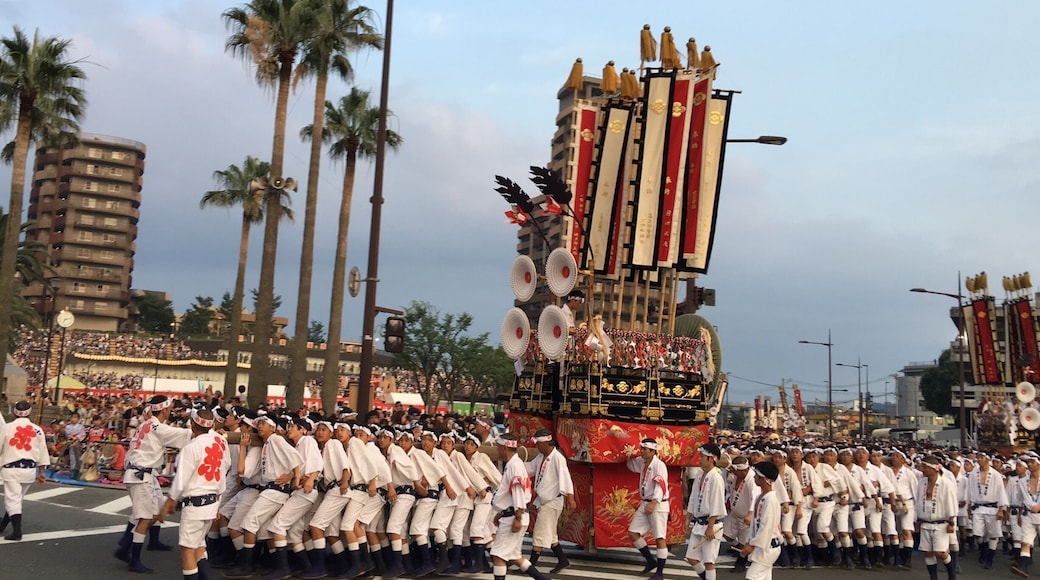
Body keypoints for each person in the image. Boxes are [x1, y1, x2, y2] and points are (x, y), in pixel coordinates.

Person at [115, 394, 192, 573]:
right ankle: (132, 557)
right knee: (145, 517)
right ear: (165, 409)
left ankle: (127, 544)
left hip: (141, 473)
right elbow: (185, 434)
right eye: (170, 408)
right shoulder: (158, 427)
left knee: (150, 512)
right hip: (141, 475)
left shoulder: (146, 423)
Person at [157, 409, 230, 580]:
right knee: (199, 545)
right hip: (212, 500)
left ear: (192, 425)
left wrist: (170, 500)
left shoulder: (191, 447)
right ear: (211, 425)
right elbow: (224, 469)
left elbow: (181, 479)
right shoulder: (220, 443)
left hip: (195, 503)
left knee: (187, 549)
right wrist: (218, 501)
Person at [489, 432, 550, 580]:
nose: (497, 450)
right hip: (513, 514)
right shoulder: (514, 464)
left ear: (505, 448)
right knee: (514, 556)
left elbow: (518, 492)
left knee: (498, 555)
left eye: (499, 447)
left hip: (514, 515)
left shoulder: (515, 466)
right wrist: (501, 513)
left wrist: (517, 516)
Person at [526, 428, 576, 572]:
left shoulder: (557, 457)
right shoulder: (541, 457)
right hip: (544, 500)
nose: (537, 446)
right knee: (551, 536)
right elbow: (530, 469)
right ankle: (563, 560)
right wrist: (516, 465)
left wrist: (571, 497)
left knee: (539, 533)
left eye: (538, 444)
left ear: (546, 443)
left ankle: (530, 567)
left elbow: (566, 477)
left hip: (552, 501)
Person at [0, 401, 49, 541]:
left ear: (15, 412)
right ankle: (3, 524)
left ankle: (17, 532)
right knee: (16, 498)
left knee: (13, 499)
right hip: (29, 470)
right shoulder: (37, 429)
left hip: (11, 468)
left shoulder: (7, 428)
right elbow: (43, 452)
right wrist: (41, 472)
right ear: (30, 412)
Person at [627, 437, 670, 580]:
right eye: (642, 449)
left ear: (653, 451)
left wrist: (654, 502)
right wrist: (627, 453)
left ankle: (660, 572)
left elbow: (661, 485)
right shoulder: (642, 462)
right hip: (645, 502)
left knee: (659, 537)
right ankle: (651, 560)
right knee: (633, 532)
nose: (642, 451)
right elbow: (631, 465)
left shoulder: (659, 465)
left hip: (658, 504)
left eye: (645, 449)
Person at [684, 443, 726, 580]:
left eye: (702, 456)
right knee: (691, 558)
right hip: (698, 523)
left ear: (711, 458)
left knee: (709, 562)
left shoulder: (716, 478)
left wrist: (710, 527)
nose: (699, 459)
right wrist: (688, 518)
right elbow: (693, 497)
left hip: (711, 524)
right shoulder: (700, 474)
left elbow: (717, 503)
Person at [915, 455, 958, 580]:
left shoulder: (946, 484)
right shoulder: (922, 483)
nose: (922, 469)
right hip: (925, 521)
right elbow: (919, 501)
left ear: (933, 468)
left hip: (941, 523)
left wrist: (951, 523)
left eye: (925, 467)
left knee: (940, 552)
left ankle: (952, 574)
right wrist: (918, 519)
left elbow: (951, 503)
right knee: (928, 552)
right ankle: (933, 577)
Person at [739, 461, 783, 580]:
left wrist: (752, 545)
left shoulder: (771, 501)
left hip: (768, 547)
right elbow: (755, 525)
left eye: (756, 475)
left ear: (764, 479)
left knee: (752, 577)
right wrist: (749, 542)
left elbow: (766, 527)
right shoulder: (761, 497)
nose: (754, 477)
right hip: (763, 546)